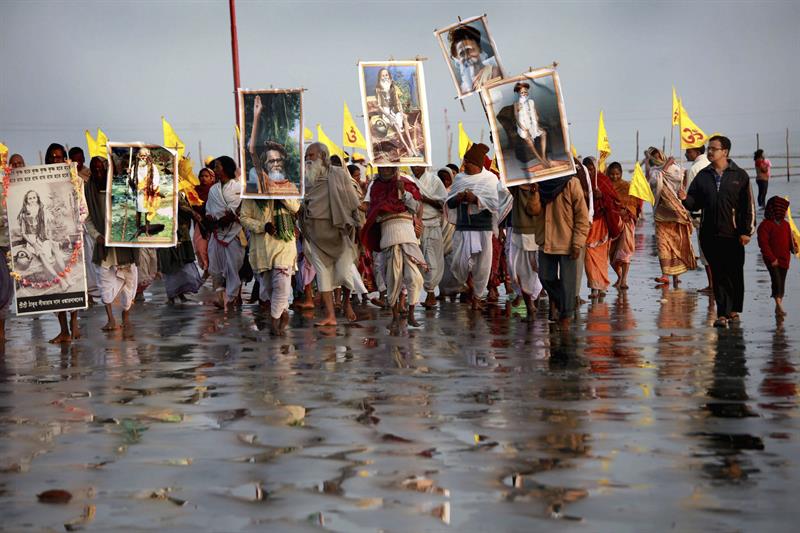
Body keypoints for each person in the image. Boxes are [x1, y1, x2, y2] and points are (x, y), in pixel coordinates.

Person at [680, 135, 755, 328]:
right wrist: (684, 198)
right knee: (719, 273)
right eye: (709, 149)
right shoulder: (703, 175)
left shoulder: (739, 175)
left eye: (714, 148)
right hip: (709, 233)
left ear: (725, 152)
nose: (710, 152)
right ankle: (722, 314)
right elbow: (694, 203)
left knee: (734, 273)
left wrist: (747, 232)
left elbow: (749, 207)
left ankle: (734, 310)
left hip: (734, 234)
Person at [299, 142, 361, 326]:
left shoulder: (339, 174)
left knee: (345, 272)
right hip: (316, 235)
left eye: (312, 155)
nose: (308, 159)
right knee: (322, 275)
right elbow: (303, 204)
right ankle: (330, 316)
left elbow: (353, 201)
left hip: (339, 233)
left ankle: (346, 302)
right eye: (307, 156)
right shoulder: (307, 179)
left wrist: (357, 224)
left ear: (323, 157)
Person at [362, 166, 427, 327]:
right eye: (382, 167)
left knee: (414, 277)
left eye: (389, 167)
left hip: (407, 234)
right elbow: (370, 210)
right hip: (388, 235)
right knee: (392, 278)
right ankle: (395, 315)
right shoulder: (375, 186)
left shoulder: (405, 182)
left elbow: (416, 207)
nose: (385, 170)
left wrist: (403, 193)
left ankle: (411, 313)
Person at [84, 156, 138, 331]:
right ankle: (110, 319)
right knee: (103, 280)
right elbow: (87, 218)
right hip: (103, 245)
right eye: (95, 170)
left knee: (128, 280)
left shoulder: (119, 187)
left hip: (123, 244)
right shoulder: (88, 189)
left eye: (101, 169)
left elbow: (132, 209)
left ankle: (126, 315)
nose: (99, 173)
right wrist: (96, 235)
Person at [446, 144, 501, 309]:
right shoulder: (460, 178)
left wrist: (476, 199)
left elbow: (495, 202)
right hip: (463, 228)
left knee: (483, 266)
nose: (464, 165)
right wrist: (458, 198)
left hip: (483, 229)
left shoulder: (490, 179)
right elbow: (449, 202)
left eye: (467, 162)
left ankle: (477, 297)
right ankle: (466, 285)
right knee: (458, 263)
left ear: (476, 164)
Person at [533, 169, 590, 328]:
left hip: (568, 241)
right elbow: (532, 210)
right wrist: (534, 193)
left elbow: (582, 216)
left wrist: (577, 243)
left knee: (568, 282)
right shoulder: (539, 184)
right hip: (545, 239)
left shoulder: (572, 182)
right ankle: (568, 305)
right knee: (545, 277)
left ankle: (567, 315)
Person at [240, 197, 300, 335]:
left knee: (282, 284)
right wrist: (263, 226)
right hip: (263, 248)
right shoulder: (252, 192)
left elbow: (296, 208)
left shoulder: (287, 188)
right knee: (269, 287)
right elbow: (244, 218)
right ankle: (282, 310)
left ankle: (274, 321)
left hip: (285, 243)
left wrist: (282, 195)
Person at [645, 147, 696, 287]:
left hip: (676, 214)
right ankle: (665, 275)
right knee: (662, 246)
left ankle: (675, 276)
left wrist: (683, 186)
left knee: (676, 244)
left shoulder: (676, 168)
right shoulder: (655, 172)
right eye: (653, 157)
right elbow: (654, 183)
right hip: (661, 214)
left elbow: (683, 179)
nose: (656, 158)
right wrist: (665, 166)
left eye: (657, 155)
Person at [205, 156, 245, 312]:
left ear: (227, 168)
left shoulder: (238, 187)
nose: (215, 169)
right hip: (216, 234)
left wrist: (224, 219)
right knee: (215, 267)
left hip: (234, 233)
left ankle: (233, 297)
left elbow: (236, 211)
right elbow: (209, 209)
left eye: (218, 166)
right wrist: (211, 221)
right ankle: (223, 299)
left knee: (234, 266)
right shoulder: (213, 189)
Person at [581, 157, 621, 298]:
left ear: (596, 168)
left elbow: (615, 201)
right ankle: (593, 287)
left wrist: (601, 196)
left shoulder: (602, 180)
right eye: (586, 169)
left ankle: (602, 286)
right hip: (586, 224)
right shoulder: (580, 181)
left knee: (602, 256)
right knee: (588, 256)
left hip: (601, 224)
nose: (589, 172)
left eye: (591, 169)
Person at [410, 165, 447, 308]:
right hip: (414, 226)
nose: (414, 168)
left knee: (431, 259)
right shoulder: (409, 181)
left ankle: (431, 292)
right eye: (412, 165)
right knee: (414, 260)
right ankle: (408, 296)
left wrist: (424, 199)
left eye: (417, 165)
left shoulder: (435, 181)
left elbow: (442, 204)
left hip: (432, 224)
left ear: (424, 165)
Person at [157, 192, 203, 304]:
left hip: (181, 232)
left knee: (181, 261)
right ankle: (171, 295)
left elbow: (184, 207)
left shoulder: (181, 192)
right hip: (167, 229)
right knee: (169, 261)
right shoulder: (163, 191)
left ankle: (180, 293)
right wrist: (192, 212)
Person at [507, 182, 543, 320]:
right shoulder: (515, 184)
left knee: (540, 272)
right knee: (520, 272)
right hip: (519, 233)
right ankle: (530, 306)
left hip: (538, 232)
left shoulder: (543, 183)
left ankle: (536, 304)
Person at [757, 196, 795, 318]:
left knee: (781, 283)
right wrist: (771, 258)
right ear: (777, 210)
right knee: (776, 281)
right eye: (784, 210)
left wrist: (794, 248)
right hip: (772, 260)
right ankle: (779, 305)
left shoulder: (786, 225)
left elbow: (790, 241)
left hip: (784, 259)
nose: (785, 212)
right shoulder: (765, 225)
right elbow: (763, 244)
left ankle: (778, 305)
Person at [607, 162, 642, 290]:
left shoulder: (627, 186)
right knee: (611, 254)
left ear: (621, 174)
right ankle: (619, 276)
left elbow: (634, 203)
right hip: (611, 223)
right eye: (611, 174)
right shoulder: (606, 186)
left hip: (626, 222)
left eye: (617, 174)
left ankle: (624, 280)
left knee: (625, 251)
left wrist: (626, 210)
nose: (614, 177)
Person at [684, 145, 713, 293]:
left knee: (705, 251)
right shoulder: (711, 164)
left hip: (700, 215)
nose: (685, 154)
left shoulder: (694, 169)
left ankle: (712, 285)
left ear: (696, 152)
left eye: (688, 151)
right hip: (716, 214)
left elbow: (690, 198)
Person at [374, 68, 419, 158]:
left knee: (404, 120)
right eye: (383, 75)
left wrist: (402, 112)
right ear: (380, 77)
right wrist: (388, 115)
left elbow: (398, 101)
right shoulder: (378, 89)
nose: (385, 77)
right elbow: (379, 106)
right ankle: (408, 148)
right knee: (396, 125)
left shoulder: (393, 87)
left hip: (395, 109)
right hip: (386, 112)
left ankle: (412, 146)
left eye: (386, 75)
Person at [448, 24, 501, 94]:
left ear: (479, 48)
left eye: (469, 50)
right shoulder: (463, 87)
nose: (466, 56)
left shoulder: (493, 71)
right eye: (462, 54)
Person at [513, 82, 550, 169]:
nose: (524, 94)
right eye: (522, 92)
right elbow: (517, 118)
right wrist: (524, 128)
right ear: (518, 93)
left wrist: (536, 119)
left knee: (543, 133)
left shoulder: (531, 101)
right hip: (522, 126)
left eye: (525, 92)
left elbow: (535, 112)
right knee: (529, 140)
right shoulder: (517, 104)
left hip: (531, 124)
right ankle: (540, 159)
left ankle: (543, 156)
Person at [129, 147, 160, 237]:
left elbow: (156, 178)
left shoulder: (152, 167)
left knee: (147, 212)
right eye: (141, 156)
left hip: (148, 192)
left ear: (147, 156)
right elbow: (132, 180)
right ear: (138, 156)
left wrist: (152, 187)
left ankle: (147, 230)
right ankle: (138, 230)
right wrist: (129, 175)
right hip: (139, 193)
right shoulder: (135, 167)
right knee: (138, 212)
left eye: (144, 156)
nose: (143, 158)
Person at [191, 167, 215, 277]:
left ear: (212, 178)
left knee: (212, 247)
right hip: (199, 223)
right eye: (202, 176)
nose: (203, 178)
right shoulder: (194, 190)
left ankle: (211, 269)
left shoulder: (215, 190)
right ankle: (206, 267)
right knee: (200, 247)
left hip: (213, 223)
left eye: (206, 176)